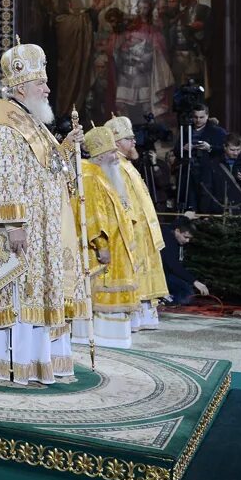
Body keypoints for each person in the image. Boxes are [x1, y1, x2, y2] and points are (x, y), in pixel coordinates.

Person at [0, 41, 84, 384]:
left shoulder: (36, 126)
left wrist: (66, 150)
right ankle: (16, 362)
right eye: (41, 84)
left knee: (41, 291)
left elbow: (47, 172)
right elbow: (1, 179)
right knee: (20, 294)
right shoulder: (7, 130)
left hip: (45, 232)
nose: (48, 89)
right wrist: (13, 225)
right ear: (21, 88)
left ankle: (40, 361)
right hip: (23, 232)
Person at [72, 127, 141, 349]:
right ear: (101, 155)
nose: (115, 157)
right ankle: (101, 338)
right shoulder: (91, 176)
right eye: (112, 152)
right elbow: (92, 213)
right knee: (100, 295)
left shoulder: (102, 175)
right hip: (103, 253)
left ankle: (113, 339)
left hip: (117, 250)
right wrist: (101, 244)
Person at [107, 116, 167, 330]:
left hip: (143, 229)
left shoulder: (127, 165)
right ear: (116, 142)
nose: (134, 143)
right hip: (131, 230)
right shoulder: (115, 166)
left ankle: (145, 315)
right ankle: (133, 316)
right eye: (129, 139)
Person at [198, 134, 241, 215]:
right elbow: (207, 190)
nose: (236, 153)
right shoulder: (213, 164)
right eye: (232, 150)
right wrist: (205, 212)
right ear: (225, 147)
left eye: (238, 149)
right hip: (218, 211)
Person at [160, 216, 208, 303]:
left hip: (166, 273)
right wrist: (194, 281)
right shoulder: (168, 240)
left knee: (186, 289)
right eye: (185, 237)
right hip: (161, 274)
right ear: (177, 231)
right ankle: (165, 300)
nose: (187, 241)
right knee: (186, 294)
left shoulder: (172, 234)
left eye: (189, 238)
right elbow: (173, 265)